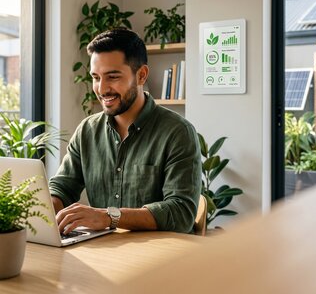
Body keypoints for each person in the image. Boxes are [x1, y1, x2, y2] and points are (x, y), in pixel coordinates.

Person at [49, 28, 202, 234]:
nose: (102, 89)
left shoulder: (178, 132)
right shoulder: (87, 131)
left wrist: (108, 217)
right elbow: (62, 188)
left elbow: (180, 213)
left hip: (161, 258)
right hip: (105, 253)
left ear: (141, 75)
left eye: (112, 77)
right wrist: (42, 210)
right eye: (96, 77)